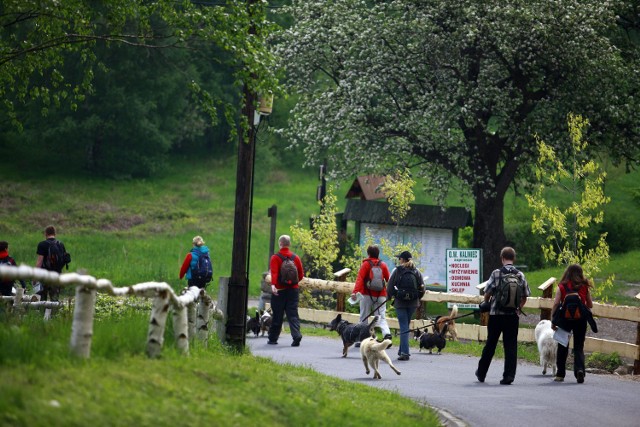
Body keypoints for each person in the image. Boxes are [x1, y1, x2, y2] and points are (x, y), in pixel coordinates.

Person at [475, 246, 531, 385]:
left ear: (502, 258)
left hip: (496, 315)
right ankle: (509, 376)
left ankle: (481, 373)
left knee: (491, 344)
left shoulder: (496, 273)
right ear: (514, 258)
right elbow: (525, 296)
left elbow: (487, 292)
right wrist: (518, 308)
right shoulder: (520, 275)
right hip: (512, 316)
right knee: (511, 346)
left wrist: (487, 303)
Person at [550, 263, 593, 384]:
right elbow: (590, 305)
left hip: (565, 320)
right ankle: (579, 369)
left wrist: (553, 320)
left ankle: (560, 374)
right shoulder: (584, 286)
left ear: (567, 272)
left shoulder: (562, 286)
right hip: (580, 320)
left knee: (562, 346)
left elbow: (556, 304)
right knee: (579, 347)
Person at [386, 251, 425, 361]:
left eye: (400, 259)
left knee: (403, 326)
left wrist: (391, 296)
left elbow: (389, 286)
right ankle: (401, 350)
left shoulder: (397, 270)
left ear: (402, 259)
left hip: (400, 302)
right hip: (413, 303)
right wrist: (417, 298)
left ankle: (405, 352)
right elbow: (422, 288)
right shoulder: (416, 271)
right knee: (405, 325)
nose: (399, 260)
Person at [351, 245, 392, 347]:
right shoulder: (383, 265)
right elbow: (389, 280)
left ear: (368, 254)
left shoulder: (365, 264)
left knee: (364, 317)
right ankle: (387, 335)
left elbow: (360, 279)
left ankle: (362, 339)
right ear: (378, 254)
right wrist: (389, 293)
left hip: (366, 295)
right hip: (381, 295)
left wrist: (355, 292)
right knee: (381, 317)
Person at [268, 235, 304, 347]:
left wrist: (274, 285)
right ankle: (296, 335)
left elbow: (274, 273)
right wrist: (291, 283)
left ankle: (273, 338)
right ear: (289, 244)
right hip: (293, 291)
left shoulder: (275, 257)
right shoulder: (296, 258)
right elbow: (301, 275)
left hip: (279, 290)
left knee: (277, 315)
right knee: (293, 314)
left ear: (280, 244)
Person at [35, 225, 68, 301]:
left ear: (45, 234)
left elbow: (39, 262)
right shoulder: (60, 244)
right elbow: (63, 260)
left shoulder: (42, 244)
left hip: (44, 275)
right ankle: (54, 313)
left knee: (42, 299)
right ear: (55, 234)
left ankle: (42, 312)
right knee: (54, 299)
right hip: (56, 275)